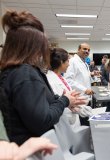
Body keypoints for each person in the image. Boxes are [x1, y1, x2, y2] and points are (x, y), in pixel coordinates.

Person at [0, 10, 83, 145]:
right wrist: (64, 101)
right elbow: (42, 121)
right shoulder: (24, 74)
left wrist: (65, 101)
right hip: (32, 149)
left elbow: (39, 102)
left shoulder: (13, 72)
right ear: (33, 47)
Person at [46, 48, 92, 126]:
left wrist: (81, 106)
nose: (69, 64)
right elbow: (59, 104)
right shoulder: (51, 80)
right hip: (65, 121)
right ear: (61, 62)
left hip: (72, 118)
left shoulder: (61, 77)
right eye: (67, 61)